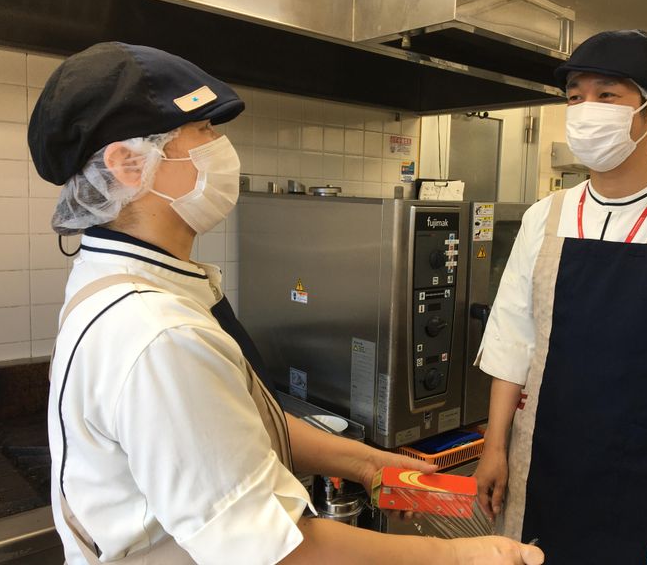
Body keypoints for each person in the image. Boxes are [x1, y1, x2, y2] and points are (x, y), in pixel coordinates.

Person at [28, 42, 544, 565]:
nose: (221, 147)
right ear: (129, 164)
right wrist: (463, 557)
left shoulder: (121, 280)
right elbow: (279, 555)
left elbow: (241, 423)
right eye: (203, 130)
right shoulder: (161, 335)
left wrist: (370, 465)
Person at [473, 29, 647, 564]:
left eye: (606, 95)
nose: (586, 110)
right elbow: (513, 339)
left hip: (639, 479)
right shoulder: (545, 216)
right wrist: (494, 447)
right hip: (540, 468)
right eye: (575, 97)